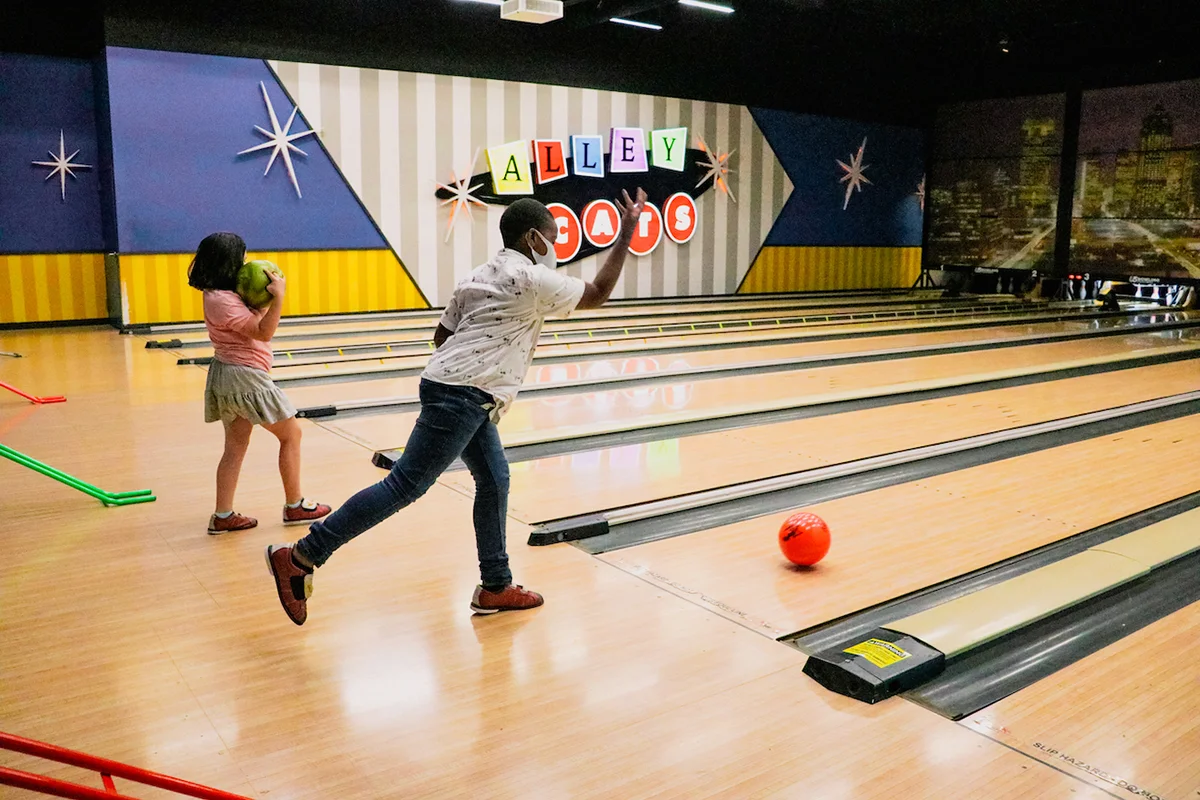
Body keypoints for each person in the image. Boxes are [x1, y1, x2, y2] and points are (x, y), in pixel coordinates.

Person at [265, 189, 648, 625]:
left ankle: (496, 586)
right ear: (531, 239)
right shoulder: (532, 280)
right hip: (463, 396)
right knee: (404, 486)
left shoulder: (476, 276)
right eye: (552, 237)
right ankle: (300, 557)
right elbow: (597, 293)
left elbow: (442, 337)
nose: (555, 246)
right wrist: (629, 230)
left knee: (494, 478)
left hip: (454, 388)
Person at [187, 232, 332, 535]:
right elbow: (263, 333)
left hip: (229, 373)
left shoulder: (218, 293)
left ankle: (223, 515)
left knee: (235, 447)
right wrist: (279, 296)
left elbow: (253, 320)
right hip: (245, 376)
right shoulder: (222, 300)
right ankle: (295, 506)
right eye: (240, 258)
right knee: (291, 434)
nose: (244, 263)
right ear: (229, 261)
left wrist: (263, 298)